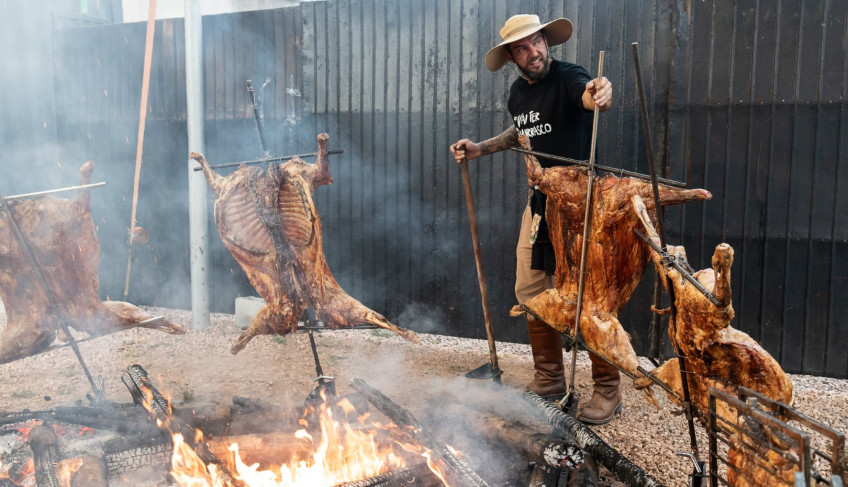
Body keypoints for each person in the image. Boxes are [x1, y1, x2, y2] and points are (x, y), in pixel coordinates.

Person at [449, 14, 619, 425]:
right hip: (540, 204)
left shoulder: (569, 77)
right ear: (511, 56)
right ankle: (549, 378)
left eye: (538, 41)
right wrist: (480, 149)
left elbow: (588, 94)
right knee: (529, 288)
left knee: (589, 297)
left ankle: (608, 388)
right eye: (523, 48)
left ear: (547, 41)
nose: (535, 51)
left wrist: (599, 92)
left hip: (583, 203)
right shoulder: (516, 94)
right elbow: (522, 131)